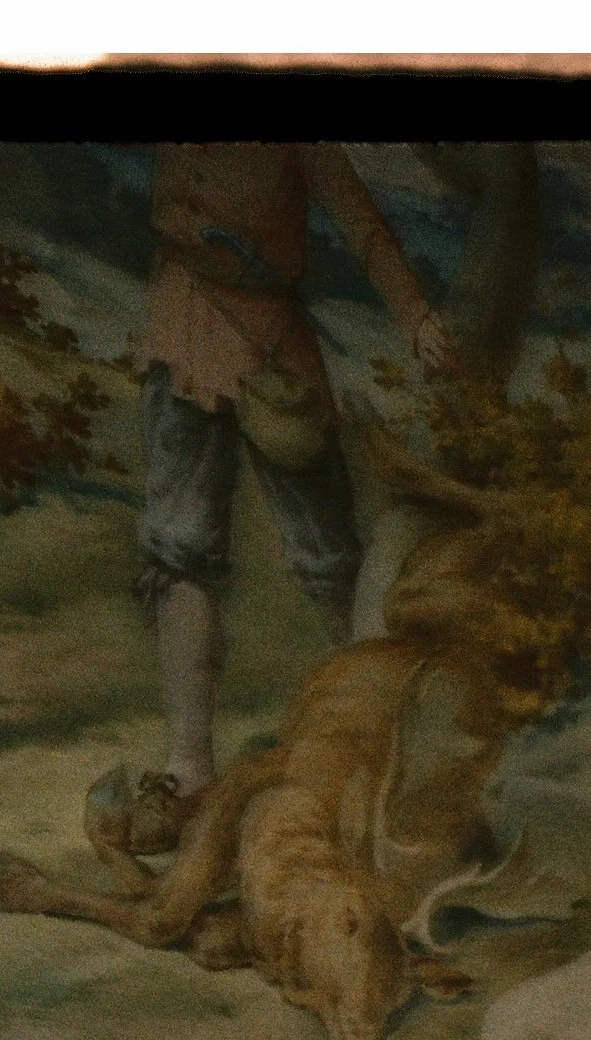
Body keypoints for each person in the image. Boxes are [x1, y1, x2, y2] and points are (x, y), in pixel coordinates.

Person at [131, 143, 456, 834]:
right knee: (179, 547)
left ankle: (379, 743)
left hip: (271, 345)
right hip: (180, 325)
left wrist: (414, 315)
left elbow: (361, 223)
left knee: (330, 554)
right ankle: (188, 769)